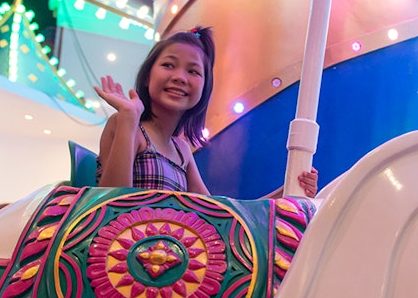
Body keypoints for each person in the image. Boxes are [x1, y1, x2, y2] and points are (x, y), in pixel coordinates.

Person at [94, 25, 318, 197]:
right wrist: (128, 118)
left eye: (193, 71)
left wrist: (289, 191)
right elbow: (111, 203)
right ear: (147, 75)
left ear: (204, 87)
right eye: (168, 65)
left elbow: (219, 213)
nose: (180, 77)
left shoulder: (181, 150)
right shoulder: (127, 125)